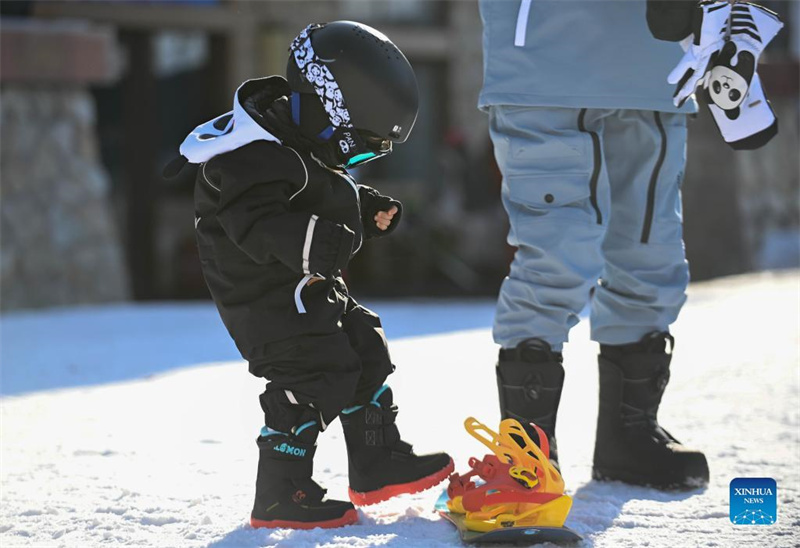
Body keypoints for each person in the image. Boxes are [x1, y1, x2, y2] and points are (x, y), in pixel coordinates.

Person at [169, 21, 453, 529]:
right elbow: (254, 221)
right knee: (314, 373)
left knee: (364, 344)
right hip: (265, 303)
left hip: (305, 291)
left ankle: (377, 461)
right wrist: (317, 242)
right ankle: (281, 493)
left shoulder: (294, 141)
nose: (356, 161)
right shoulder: (245, 157)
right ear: (334, 110)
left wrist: (362, 209)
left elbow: (317, 190)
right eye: (359, 150)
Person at [478, 0, 717, 489]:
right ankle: (528, 455)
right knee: (556, 258)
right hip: (545, 59)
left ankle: (629, 439)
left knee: (651, 256)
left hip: (660, 63)